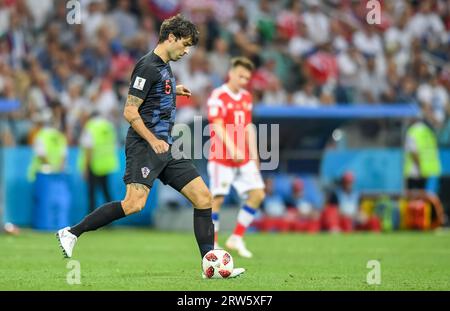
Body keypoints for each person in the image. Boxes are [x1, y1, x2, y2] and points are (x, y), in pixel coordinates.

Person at [56, 14, 244, 278]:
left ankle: (209, 265)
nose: (187, 50)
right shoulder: (147, 66)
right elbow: (130, 111)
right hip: (146, 145)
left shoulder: (164, 67)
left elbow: (154, 92)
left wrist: (172, 90)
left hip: (165, 146)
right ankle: (72, 232)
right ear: (171, 37)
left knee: (203, 198)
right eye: (185, 44)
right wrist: (153, 139)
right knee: (133, 204)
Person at [206, 57, 265, 258]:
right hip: (221, 157)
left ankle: (236, 237)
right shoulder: (218, 95)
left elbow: (248, 126)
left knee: (258, 194)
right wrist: (232, 149)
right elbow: (217, 125)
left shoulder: (247, 97)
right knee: (217, 199)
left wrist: (254, 155)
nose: (243, 81)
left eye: (246, 78)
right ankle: (213, 245)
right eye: (240, 76)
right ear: (231, 73)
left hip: (244, 157)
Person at [78, 114, 119, 213]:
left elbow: (89, 149)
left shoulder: (91, 127)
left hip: (94, 165)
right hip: (106, 164)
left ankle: (91, 220)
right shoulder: (108, 126)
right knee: (107, 193)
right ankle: (111, 218)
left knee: (92, 194)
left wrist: (85, 168)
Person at [404, 118, 442, 191]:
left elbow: (414, 153)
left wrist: (420, 168)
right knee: (424, 197)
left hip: (415, 172)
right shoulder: (429, 132)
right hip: (428, 170)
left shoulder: (412, 132)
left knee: (414, 199)